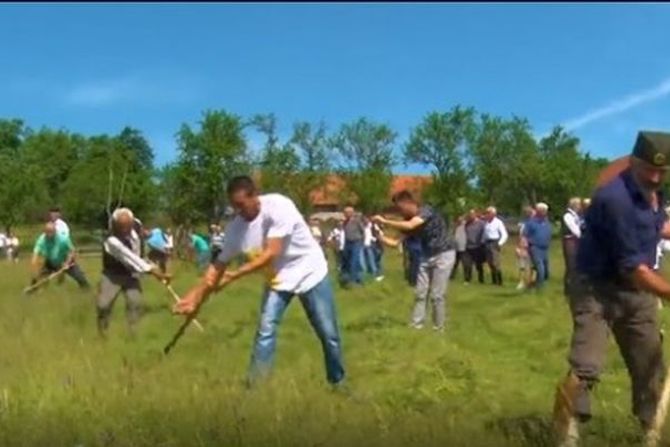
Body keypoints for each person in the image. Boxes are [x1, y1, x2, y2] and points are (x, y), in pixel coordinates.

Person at [553, 131, 670, 446]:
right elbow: (635, 270)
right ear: (633, 162)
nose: (656, 176)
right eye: (649, 169)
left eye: (663, 172)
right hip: (596, 288)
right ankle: (567, 435)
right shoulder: (614, 199)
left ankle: (649, 432)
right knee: (585, 366)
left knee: (650, 366)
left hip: (637, 295)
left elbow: (657, 226)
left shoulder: (656, 192)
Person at [173, 175, 345, 387]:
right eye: (234, 206)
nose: (238, 211)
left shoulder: (279, 206)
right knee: (265, 329)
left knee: (328, 332)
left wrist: (236, 275)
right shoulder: (235, 229)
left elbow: (271, 253)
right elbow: (217, 267)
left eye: (241, 205)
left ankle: (338, 382)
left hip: (310, 271)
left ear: (255, 195)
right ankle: (256, 387)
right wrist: (194, 297)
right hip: (278, 280)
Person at [373, 190, 456, 332]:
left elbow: (411, 225)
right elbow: (395, 243)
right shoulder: (407, 220)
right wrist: (379, 236)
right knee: (420, 292)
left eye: (400, 208)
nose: (400, 213)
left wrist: (385, 221)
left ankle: (438, 328)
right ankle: (416, 325)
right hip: (426, 255)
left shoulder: (426, 210)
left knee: (437, 295)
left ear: (408, 203)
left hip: (443, 253)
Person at [97, 208, 171, 337]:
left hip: (131, 275)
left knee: (135, 303)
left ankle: (133, 333)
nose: (124, 230)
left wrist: (155, 268)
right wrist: (154, 272)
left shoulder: (137, 232)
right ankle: (103, 333)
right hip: (112, 276)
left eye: (126, 226)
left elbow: (140, 256)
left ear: (131, 223)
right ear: (115, 225)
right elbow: (130, 257)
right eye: (120, 227)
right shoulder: (111, 240)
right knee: (104, 305)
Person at [29, 222, 90, 292]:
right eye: (47, 232)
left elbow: (72, 251)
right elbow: (35, 253)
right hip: (50, 262)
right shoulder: (41, 240)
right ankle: (33, 290)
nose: (49, 235)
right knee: (37, 277)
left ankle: (86, 290)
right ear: (44, 232)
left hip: (66, 261)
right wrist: (34, 264)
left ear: (55, 231)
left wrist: (67, 262)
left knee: (81, 279)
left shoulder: (63, 239)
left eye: (51, 232)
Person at [523, 202, 552, 291]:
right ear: (538, 211)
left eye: (545, 211)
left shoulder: (546, 222)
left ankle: (532, 285)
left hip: (545, 248)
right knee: (540, 269)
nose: (545, 212)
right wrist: (525, 246)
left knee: (546, 271)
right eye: (542, 210)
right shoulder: (531, 223)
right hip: (535, 248)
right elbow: (524, 235)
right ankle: (539, 288)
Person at [482, 206, 509, 286]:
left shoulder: (498, 222)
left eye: (488, 213)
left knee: (495, 262)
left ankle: (499, 281)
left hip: (494, 242)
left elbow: (504, 234)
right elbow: (485, 233)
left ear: (493, 214)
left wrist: (500, 243)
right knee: (490, 262)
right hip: (487, 242)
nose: (487, 215)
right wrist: (482, 241)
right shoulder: (486, 223)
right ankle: (494, 280)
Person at [562, 197, 583, 296]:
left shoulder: (576, 216)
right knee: (571, 265)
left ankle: (575, 286)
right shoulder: (568, 216)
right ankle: (569, 288)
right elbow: (574, 229)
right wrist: (583, 237)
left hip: (575, 241)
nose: (580, 207)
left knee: (576, 265)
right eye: (578, 205)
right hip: (570, 241)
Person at [340, 206, 365, 287]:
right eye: (344, 212)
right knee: (347, 260)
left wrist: (362, 241)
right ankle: (351, 278)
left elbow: (363, 231)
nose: (345, 214)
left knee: (354, 261)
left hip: (356, 242)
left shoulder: (356, 221)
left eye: (347, 212)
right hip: (347, 242)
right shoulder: (345, 222)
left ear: (351, 213)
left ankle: (354, 280)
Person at [463, 209, 486, 285]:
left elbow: (484, 233)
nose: (470, 216)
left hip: (477, 247)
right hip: (468, 246)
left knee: (478, 264)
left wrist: (481, 242)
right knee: (467, 264)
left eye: (472, 214)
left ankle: (481, 279)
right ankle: (467, 279)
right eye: (469, 214)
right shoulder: (467, 224)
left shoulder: (481, 223)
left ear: (476, 214)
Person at [515, 206, 535, 290]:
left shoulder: (535, 223)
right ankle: (521, 281)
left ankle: (531, 281)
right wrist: (517, 246)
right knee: (521, 265)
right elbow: (519, 236)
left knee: (532, 265)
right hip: (522, 245)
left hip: (532, 245)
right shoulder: (522, 224)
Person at [362, 216, 381, 280]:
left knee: (371, 259)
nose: (365, 221)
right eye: (364, 220)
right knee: (364, 259)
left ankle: (374, 271)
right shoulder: (362, 226)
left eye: (366, 220)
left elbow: (379, 233)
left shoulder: (373, 226)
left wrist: (374, 239)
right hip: (363, 245)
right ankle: (366, 272)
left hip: (370, 245)